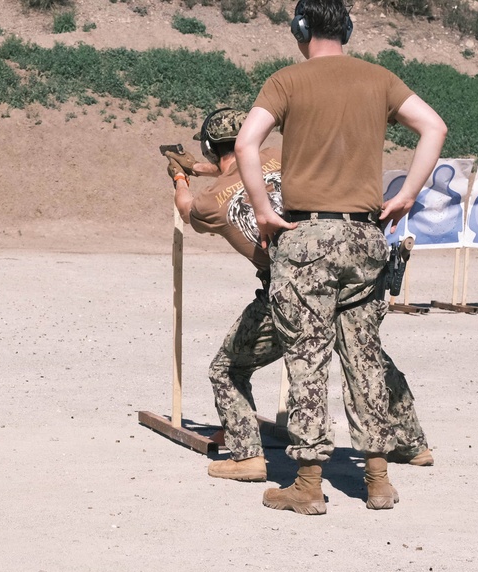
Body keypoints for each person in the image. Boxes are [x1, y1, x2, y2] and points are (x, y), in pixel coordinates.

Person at [234, 0, 447, 514]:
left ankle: (308, 484)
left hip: (307, 237)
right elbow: (434, 127)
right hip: (365, 237)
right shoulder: (380, 79)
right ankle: (377, 480)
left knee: (308, 356)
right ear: (347, 28)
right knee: (365, 357)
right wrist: (408, 193)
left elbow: (245, 145)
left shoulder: (286, 81)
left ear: (300, 28)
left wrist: (263, 211)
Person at [165, 108, 433, 486]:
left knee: (227, 369)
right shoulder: (281, 155)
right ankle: (411, 444)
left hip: (291, 289)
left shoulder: (210, 202)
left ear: (210, 148)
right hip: (341, 270)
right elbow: (243, 166)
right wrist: (199, 167)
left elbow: (188, 206)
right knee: (366, 357)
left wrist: (180, 177)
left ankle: (248, 456)